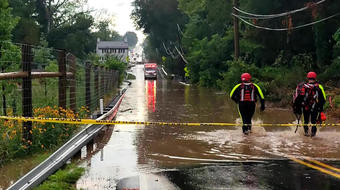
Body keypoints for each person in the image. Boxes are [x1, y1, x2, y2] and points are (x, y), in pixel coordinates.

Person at [293, 72, 326, 137]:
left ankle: (306, 134)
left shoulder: (303, 86)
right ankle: (313, 136)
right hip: (315, 107)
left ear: (307, 78)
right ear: (315, 78)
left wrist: (298, 108)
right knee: (314, 121)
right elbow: (323, 99)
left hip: (305, 107)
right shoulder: (319, 87)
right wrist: (321, 109)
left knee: (305, 121)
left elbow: (298, 98)